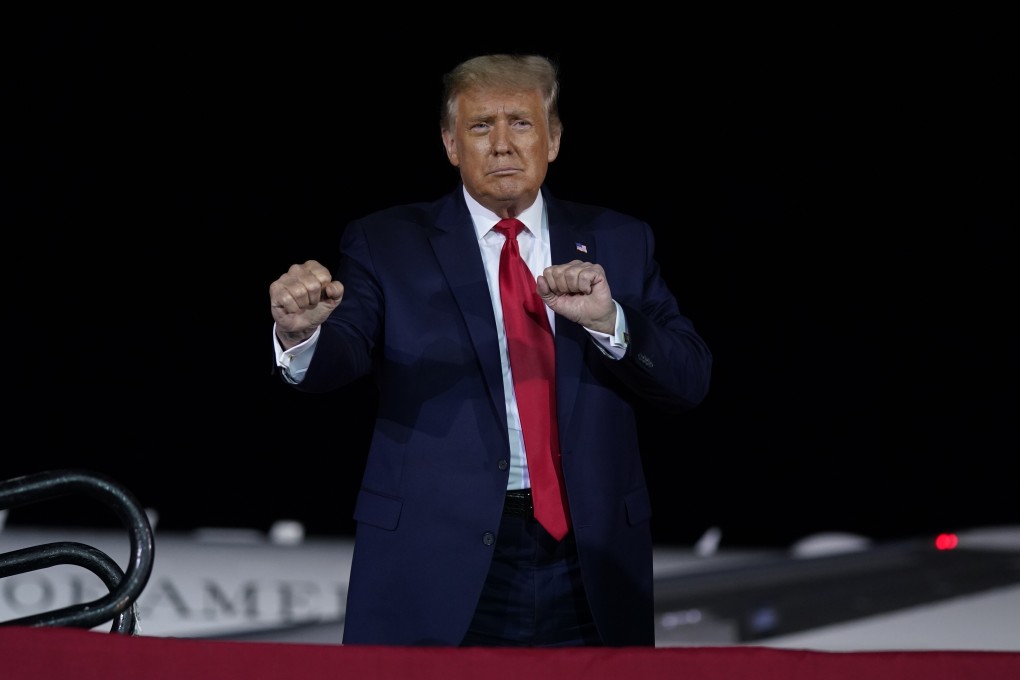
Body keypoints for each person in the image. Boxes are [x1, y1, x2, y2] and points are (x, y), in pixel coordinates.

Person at [268, 53, 712, 647]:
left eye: (521, 123)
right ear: (451, 144)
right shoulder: (387, 242)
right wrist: (302, 333)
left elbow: (688, 378)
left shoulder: (620, 240)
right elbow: (341, 353)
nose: (502, 144)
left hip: (587, 560)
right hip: (438, 555)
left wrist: (611, 321)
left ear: (553, 139)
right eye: (481, 127)